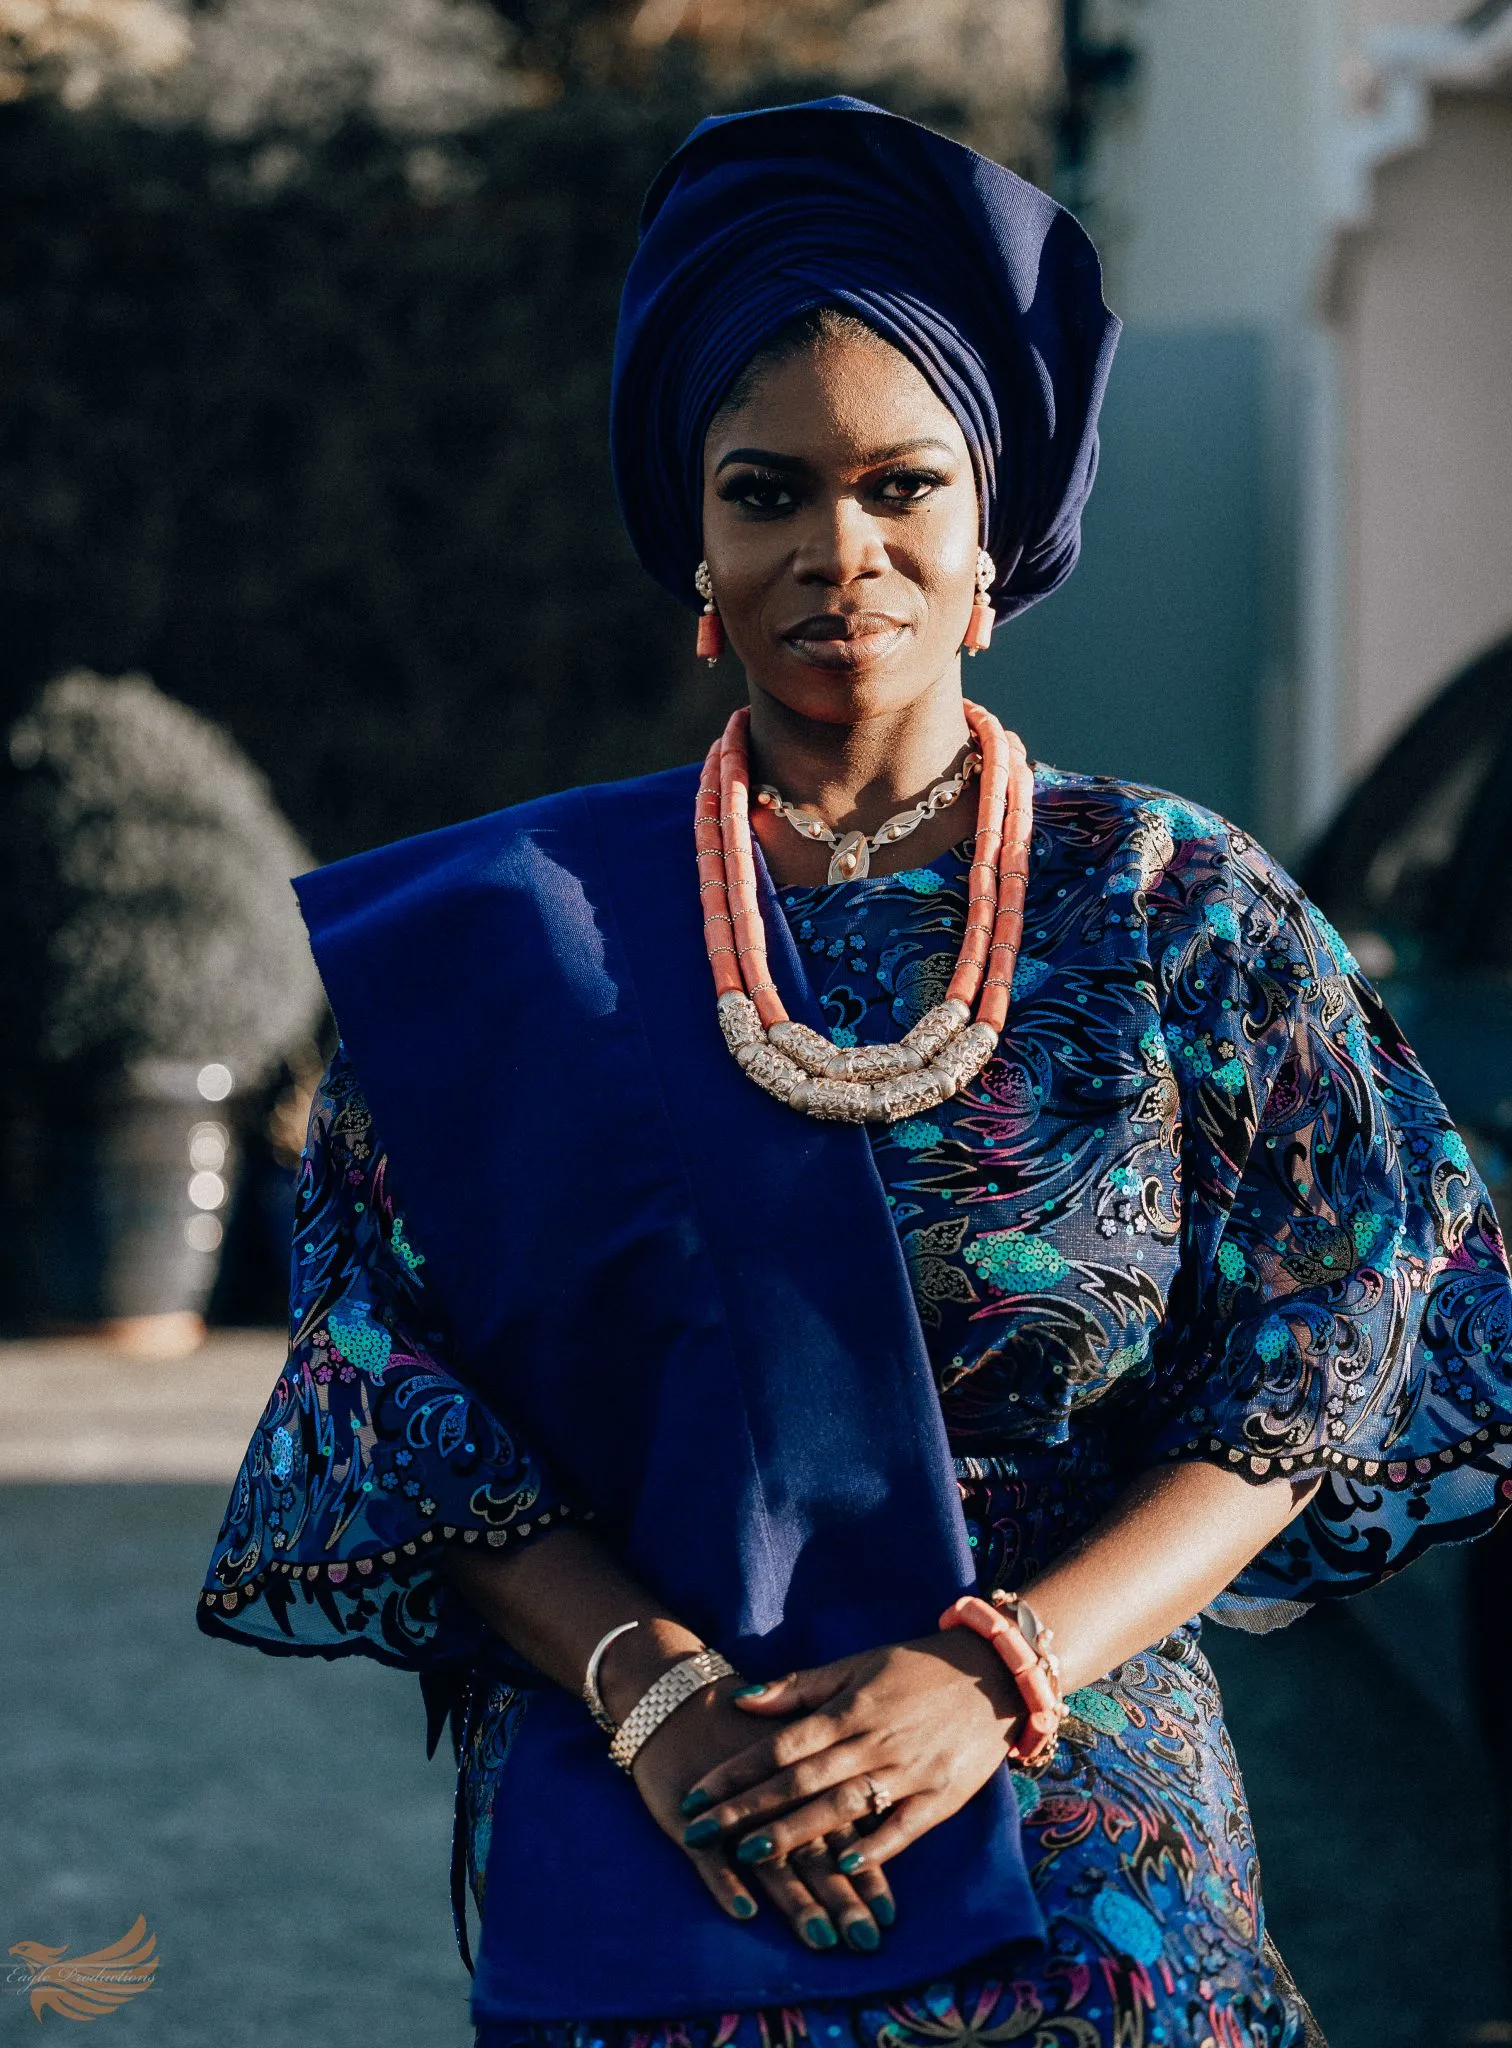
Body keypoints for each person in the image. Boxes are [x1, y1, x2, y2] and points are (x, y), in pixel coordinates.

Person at [199, 99, 1512, 2048]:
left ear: (993, 539)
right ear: (696, 547)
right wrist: (660, 1702)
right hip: (673, 1801)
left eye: (903, 487)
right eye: (770, 492)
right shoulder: (513, 940)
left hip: (1079, 1794)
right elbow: (394, 1389)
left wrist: (991, 1672)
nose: (842, 550)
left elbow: (1349, 1332)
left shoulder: (1174, 909)